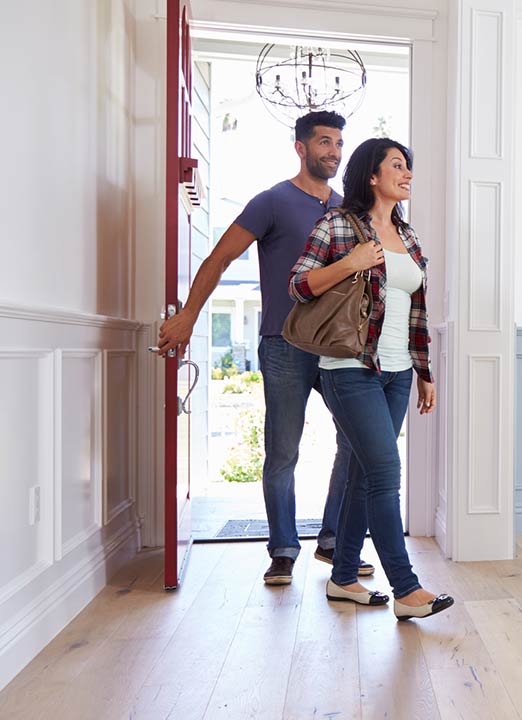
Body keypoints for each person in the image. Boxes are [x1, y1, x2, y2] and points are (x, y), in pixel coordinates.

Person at [154, 111, 375, 585]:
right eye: (324, 142)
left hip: (339, 349)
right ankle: (283, 549)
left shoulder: (347, 210)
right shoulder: (272, 202)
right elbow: (219, 258)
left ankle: (334, 540)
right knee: (282, 452)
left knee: (356, 443)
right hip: (284, 344)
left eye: (338, 143)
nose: (333, 152)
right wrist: (189, 314)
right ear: (301, 147)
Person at [288, 137, 454, 621]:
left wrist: (424, 373)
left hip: (399, 372)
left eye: (409, 167)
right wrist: (350, 262)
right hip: (350, 369)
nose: (407, 175)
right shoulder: (338, 225)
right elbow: (298, 284)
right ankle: (406, 589)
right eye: (398, 166)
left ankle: (342, 579)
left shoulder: (410, 236)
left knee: (363, 474)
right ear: (372, 176)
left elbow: (417, 311)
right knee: (384, 473)